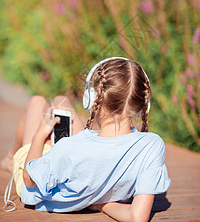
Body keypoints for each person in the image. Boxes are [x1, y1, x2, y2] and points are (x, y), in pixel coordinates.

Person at [1, 57, 171, 222]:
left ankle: (11, 158)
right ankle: (14, 156)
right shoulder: (152, 145)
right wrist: (102, 204)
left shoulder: (69, 147)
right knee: (61, 102)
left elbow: (30, 181)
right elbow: (137, 217)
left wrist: (39, 135)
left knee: (37, 103)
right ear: (143, 104)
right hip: (78, 168)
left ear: (91, 98)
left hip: (40, 176)